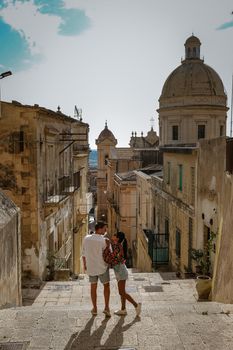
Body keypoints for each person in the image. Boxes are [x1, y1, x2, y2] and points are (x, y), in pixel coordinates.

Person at [104, 231, 141, 316]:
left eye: (114, 235)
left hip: (121, 272)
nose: (112, 236)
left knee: (121, 292)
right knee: (122, 291)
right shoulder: (116, 245)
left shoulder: (117, 247)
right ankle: (123, 309)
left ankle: (136, 305)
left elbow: (111, 258)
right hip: (119, 271)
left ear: (117, 238)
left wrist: (106, 248)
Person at [82, 221, 111, 317]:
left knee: (93, 287)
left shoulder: (86, 238)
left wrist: (85, 265)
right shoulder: (103, 240)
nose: (105, 230)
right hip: (102, 266)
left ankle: (94, 308)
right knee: (106, 286)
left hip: (91, 267)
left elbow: (84, 253)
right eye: (104, 228)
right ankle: (106, 308)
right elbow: (108, 252)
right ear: (99, 229)